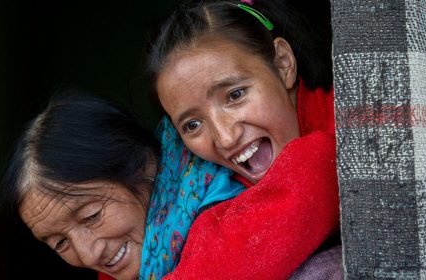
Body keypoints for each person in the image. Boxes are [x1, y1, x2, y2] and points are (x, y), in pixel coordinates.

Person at [145, 0, 341, 278]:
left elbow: (313, 174)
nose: (225, 138)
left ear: (283, 65)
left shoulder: (351, 126)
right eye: (193, 125)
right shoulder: (208, 189)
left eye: (235, 95)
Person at [0, 92, 246, 280]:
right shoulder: (124, 268)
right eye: (59, 242)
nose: (89, 255)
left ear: (144, 165)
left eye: (91, 215)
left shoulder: (237, 219)